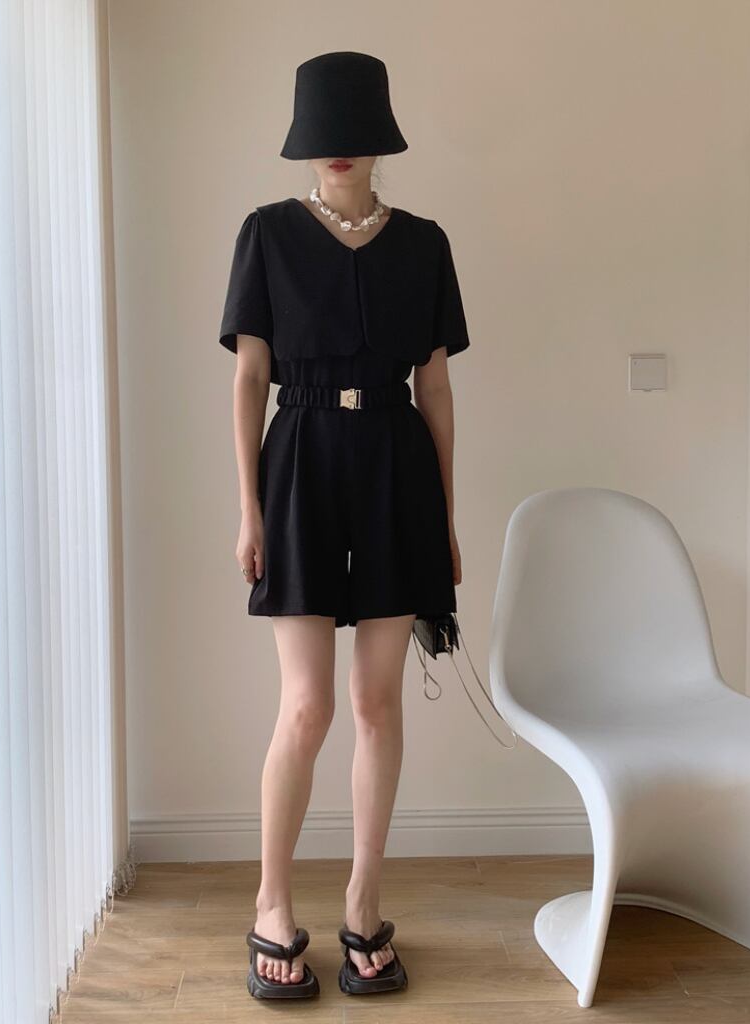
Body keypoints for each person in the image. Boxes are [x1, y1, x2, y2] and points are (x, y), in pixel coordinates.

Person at [218, 51, 471, 1000]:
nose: (340, 150)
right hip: (300, 465)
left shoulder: (426, 243)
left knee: (376, 703)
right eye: (324, 133)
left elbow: (435, 389)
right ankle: (272, 905)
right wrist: (249, 507)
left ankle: (364, 902)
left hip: (397, 470)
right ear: (303, 140)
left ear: (380, 139)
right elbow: (250, 379)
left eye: (355, 132)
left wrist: (446, 517)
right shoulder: (268, 234)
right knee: (307, 706)